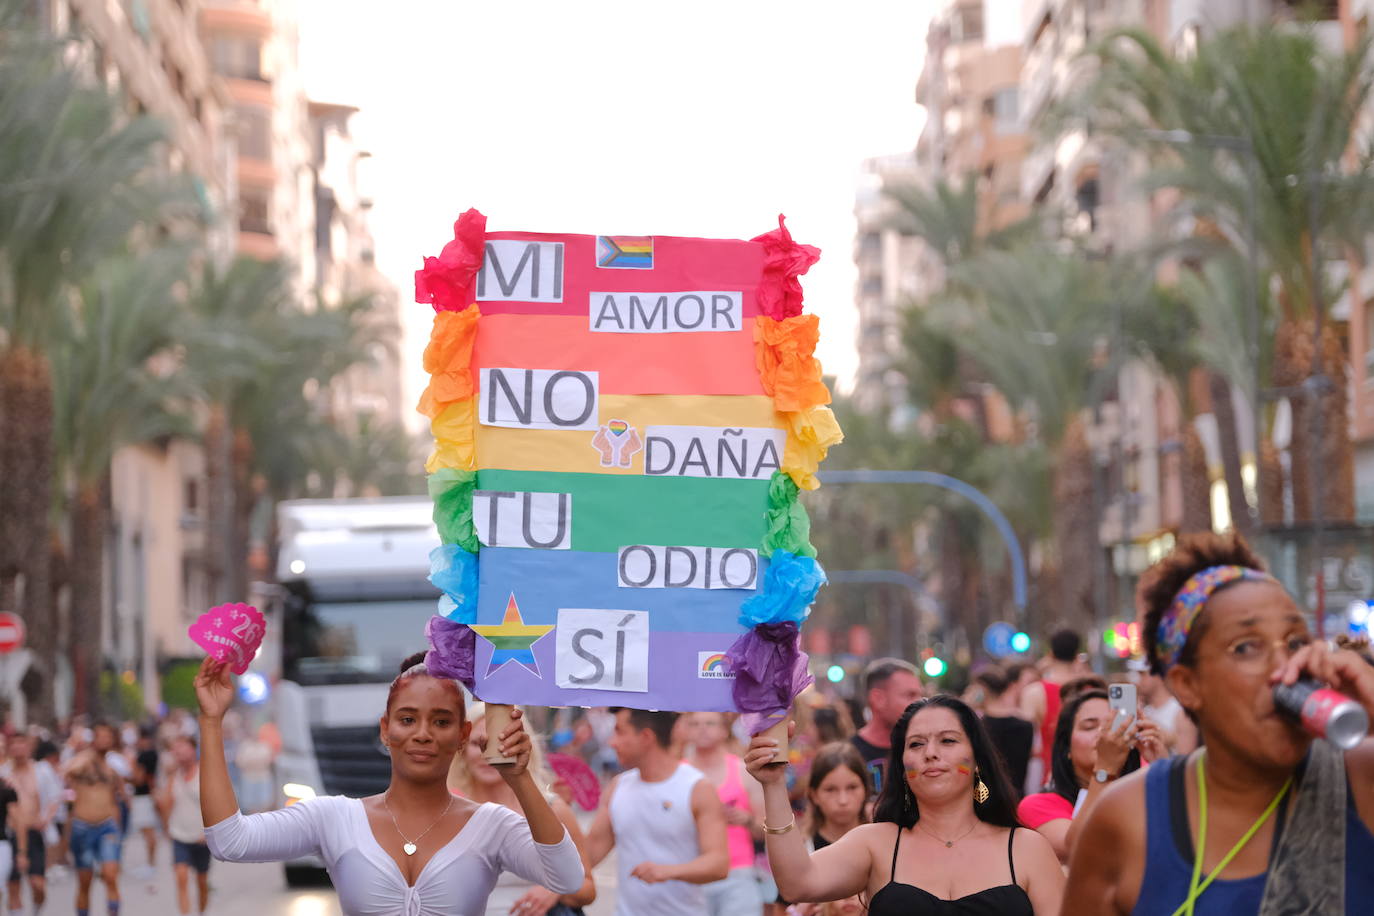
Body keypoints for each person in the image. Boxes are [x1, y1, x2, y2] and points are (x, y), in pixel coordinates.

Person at [1063, 532, 1374, 913]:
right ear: (1187, 685)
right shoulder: (1129, 818)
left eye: (1296, 642)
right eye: (1246, 647)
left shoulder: (1361, 781)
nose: (1284, 670)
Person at [198, 653, 585, 914]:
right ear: (385, 730)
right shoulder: (334, 818)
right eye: (407, 719)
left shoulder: (491, 826)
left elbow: (567, 877)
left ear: (463, 735)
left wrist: (519, 778)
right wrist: (211, 722)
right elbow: (229, 840)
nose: (423, 734)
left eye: (441, 721)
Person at [749, 695, 1064, 914]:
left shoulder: (1026, 849)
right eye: (916, 744)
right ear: (901, 765)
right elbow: (797, 883)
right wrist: (774, 785)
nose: (930, 753)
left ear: (977, 759)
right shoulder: (875, 844)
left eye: (948, 740)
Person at [448, 702, 596, 915]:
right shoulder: (447, 810)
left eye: (499, 742)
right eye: (477, 743)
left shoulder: (552, 809)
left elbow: (587, 888)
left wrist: (553, 890)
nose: (486, 754)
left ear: (522, 744)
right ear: (461, 748)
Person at [585, 708, 729, 916]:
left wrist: (668, 871)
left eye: (620, 731)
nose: (612, 742)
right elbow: (587, 856)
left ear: (646, 737)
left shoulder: (697, 787)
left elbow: (718, 864)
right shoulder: (618, 787)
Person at [1016, 689, 1161, 863]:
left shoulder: (1145, 790)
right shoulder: (1038, 804)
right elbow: (1075, 848)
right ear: (1066, 747)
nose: (1104, 734)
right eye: (1089, 726)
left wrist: (1162, 765)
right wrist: (1105, 769)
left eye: (1113, 725)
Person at [684, 711, 765, 916]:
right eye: (695, 724)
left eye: (710, 723)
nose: (702, 729)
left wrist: (747, 820)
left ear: (724, 730)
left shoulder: (743, 771)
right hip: (690, 872)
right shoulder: (677, 773)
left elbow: (768, 829)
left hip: (737, 873)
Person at [782, 742, 870, 916]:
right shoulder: (802, 851)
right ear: (814, 795)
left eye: (852, 787)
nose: (843, 800)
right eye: (831, 790)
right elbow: (780, 908)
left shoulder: (883, 842)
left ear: (866, 790)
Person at [62, 736, 126, 916]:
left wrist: (119, 831)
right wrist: (86, 755)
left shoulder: (111, 771)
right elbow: (66, 771)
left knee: (110, 876)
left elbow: (116, 800)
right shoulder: (80, 768)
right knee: (85, 881)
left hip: (107, 826)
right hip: (82, 828)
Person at [850, 659, 923, 794]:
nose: (920, 703)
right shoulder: (849, 755)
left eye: (920, 695)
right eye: (910, 695)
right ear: (878, 699)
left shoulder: (926, 750)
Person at [1020, 628, 1082, 783]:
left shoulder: (1034, 692)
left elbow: (1025, 740)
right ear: (1077, 655)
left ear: (1050, 654)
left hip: (1050, 774)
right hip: (1085, 774)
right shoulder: (1090, 689)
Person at [159, 736, 211, 915]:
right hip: (179, 834)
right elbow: (166, 803)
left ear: (193, 749)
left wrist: (210, 831)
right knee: (181, 877)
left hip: (202, 836)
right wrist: (166, 827)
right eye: (176, 749)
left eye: (183, 747)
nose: (179, 752)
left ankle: (202, 912)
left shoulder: (204, 773)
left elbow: (214, 805)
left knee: (202, 881)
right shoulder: (173, 776)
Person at [4, 734, 48, 913]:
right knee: (13, 886)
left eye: (21, 744)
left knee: (38, 884)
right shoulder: (4, 773)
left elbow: (54, 797)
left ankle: (36, 907)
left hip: (33, 832)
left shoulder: (41, 771)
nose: (17, 748)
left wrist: (45, 818)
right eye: (13, 744)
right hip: (10, 834)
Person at [975, 667, 1034, 796]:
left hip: (986, 798)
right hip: (1017, 795)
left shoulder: (978, 726)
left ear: (983, 690)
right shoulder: (1026, 725)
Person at [1132, 658, 1198, 755]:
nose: (1139, 681)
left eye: (1143, 674)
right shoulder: (1145, 711)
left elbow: (1185, 758)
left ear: (1158, 675)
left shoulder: (1180, 712)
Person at [129, 727, 161, 878]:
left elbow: (139, 779)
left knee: (148, 833)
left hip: (143, 796)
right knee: (149, 832)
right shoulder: (154, 753)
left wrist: (126, 776)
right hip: (149, 794)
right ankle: (150, 864)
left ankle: (151, 864)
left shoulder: (143, 756)